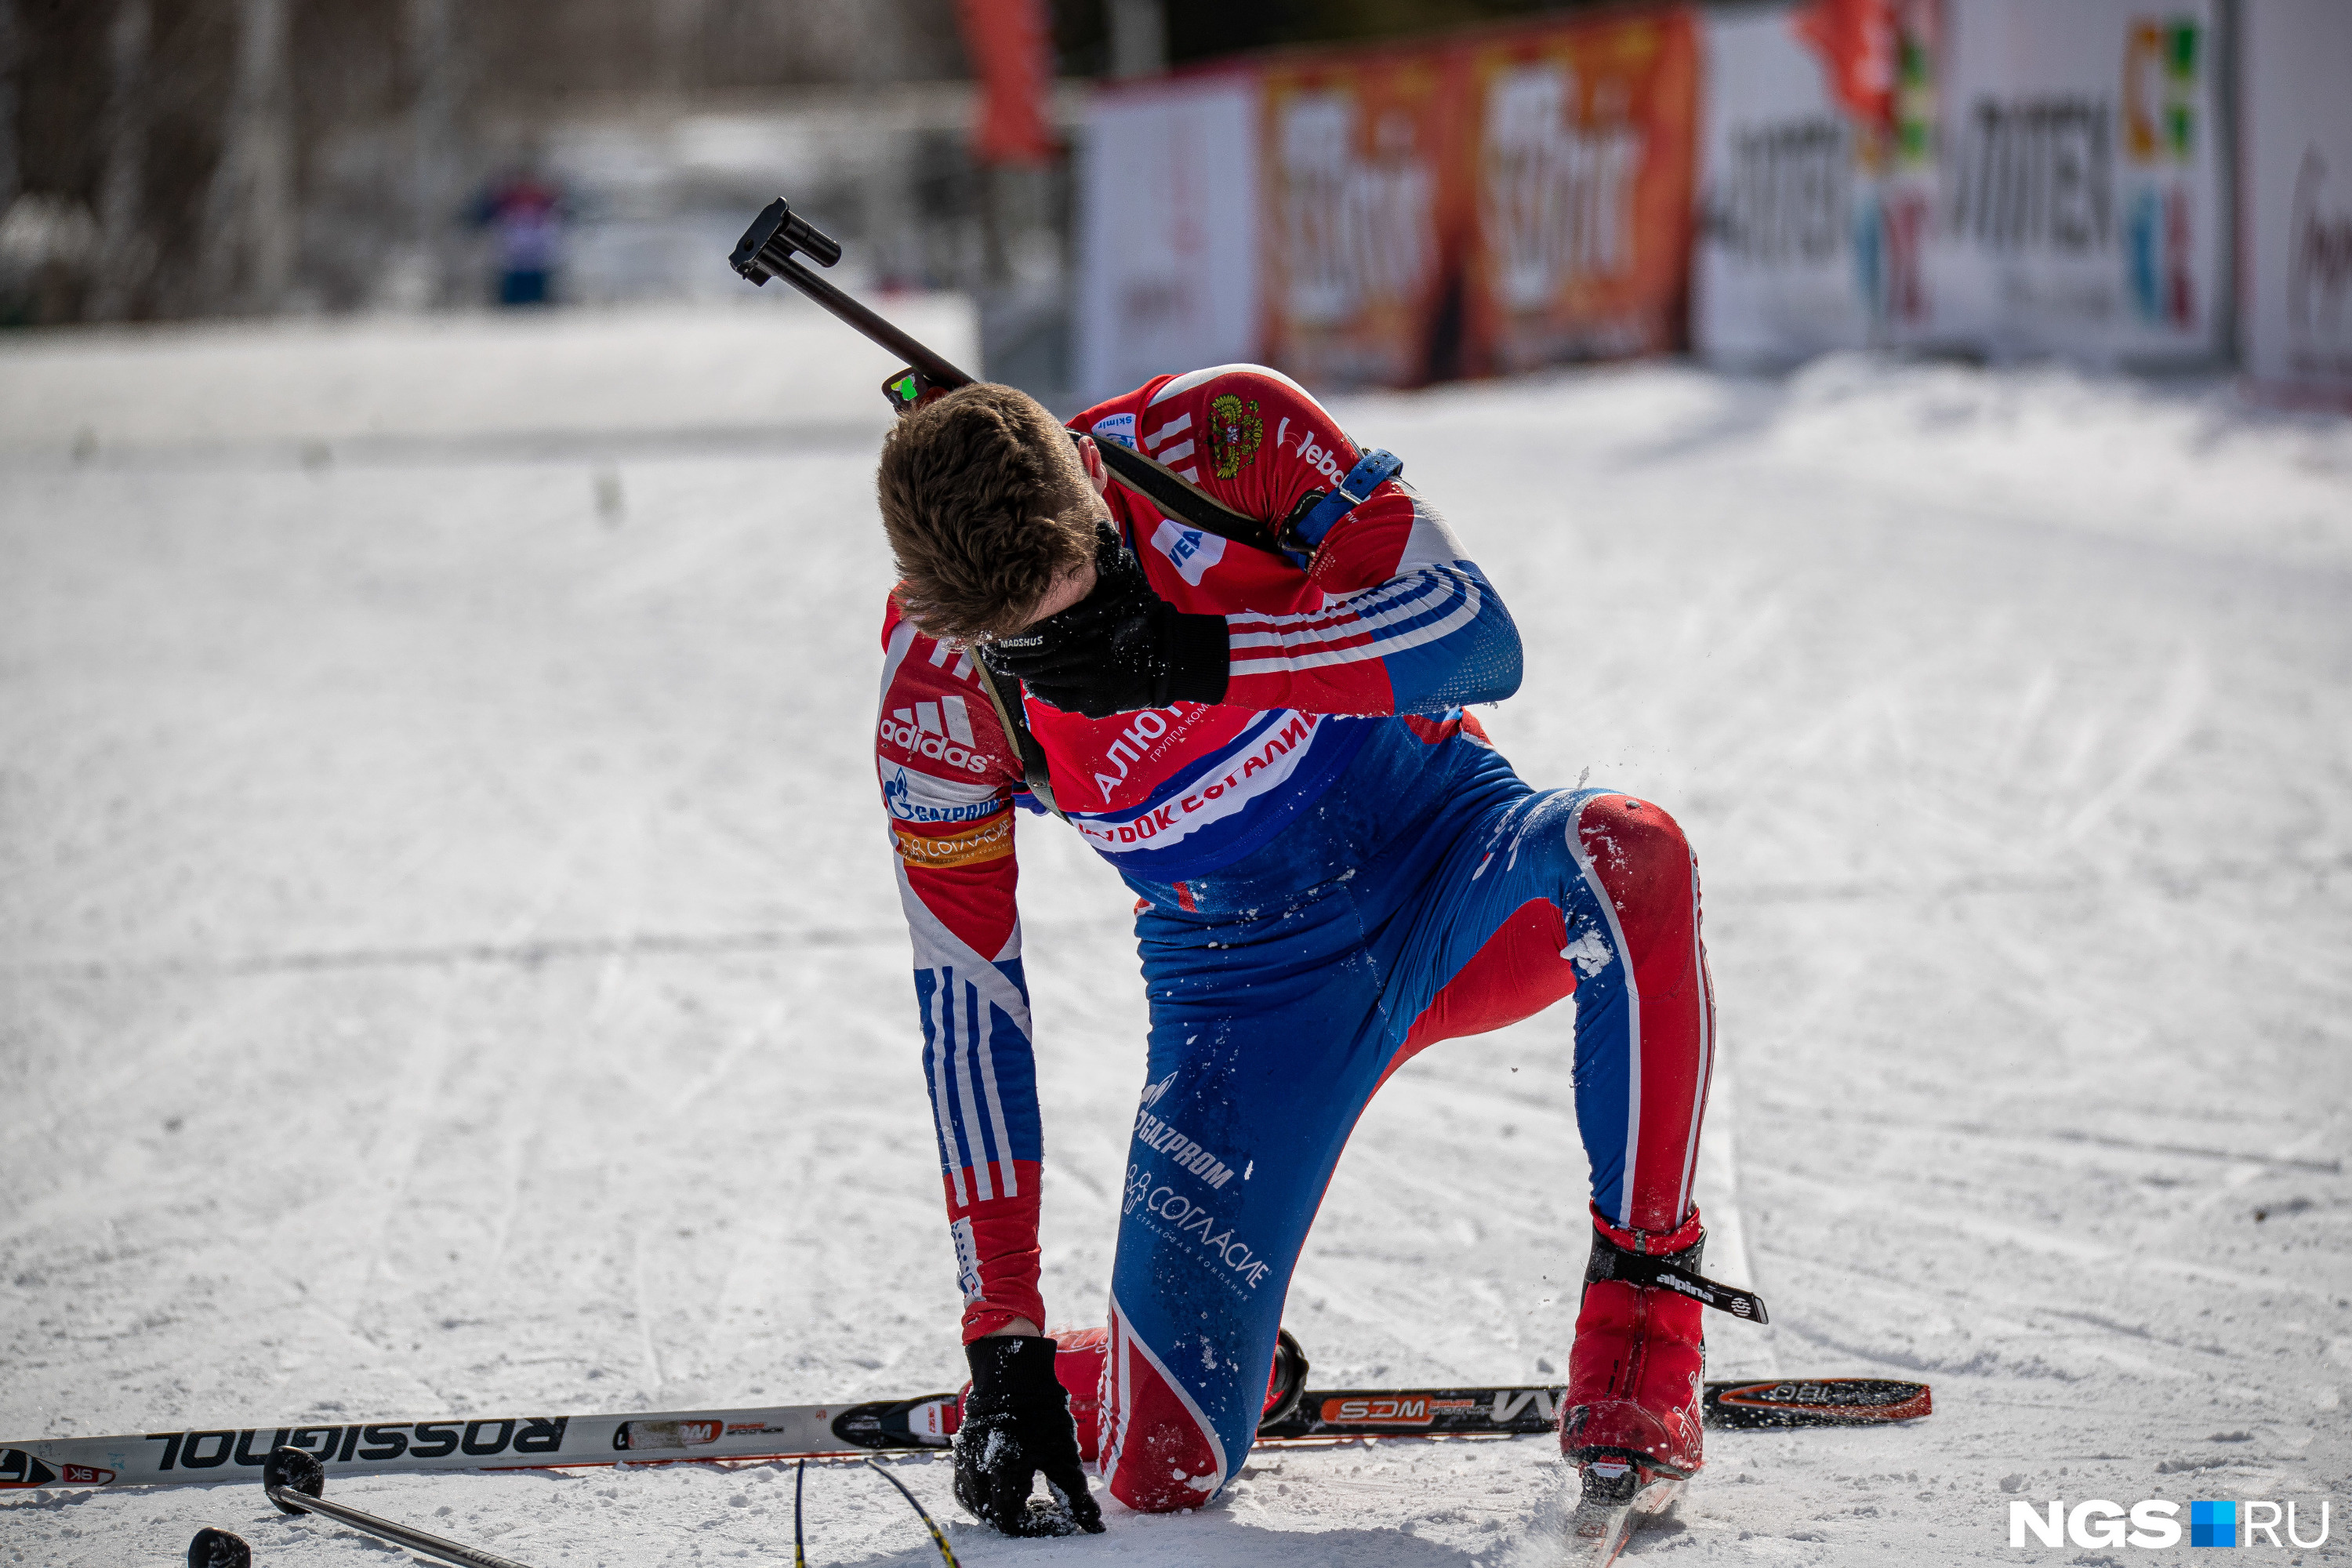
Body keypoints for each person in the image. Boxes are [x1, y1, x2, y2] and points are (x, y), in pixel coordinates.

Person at [871, 365, 1737, 1537]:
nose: (1061, 647)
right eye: (1024, 647)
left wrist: (1202, 653)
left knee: (1628, 851)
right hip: (1245, 998)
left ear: (1090, 480)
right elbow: (971, 1010)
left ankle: (1645, 1329)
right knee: (1159, 1473)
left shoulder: (1215, 438)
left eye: (1081, 600)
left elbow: (1478, 639)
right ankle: (1123, 1373)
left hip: (1450, 863)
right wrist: (1005, 1334)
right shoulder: (933, 690)